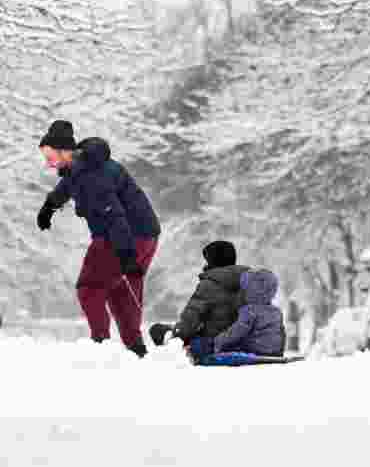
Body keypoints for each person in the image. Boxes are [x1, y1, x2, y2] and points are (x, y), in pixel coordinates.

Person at [36, 120, 161, 357]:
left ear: (65, 152)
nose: (48, 163)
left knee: (90, 287)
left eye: (50, 156)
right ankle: (136, 349)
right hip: (144, 234)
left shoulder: (93, 176)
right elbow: (68, 185)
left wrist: (126, 255)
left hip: (123, 235)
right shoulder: (82, 166)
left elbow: (114, 216)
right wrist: (49, 206)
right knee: (118, 289)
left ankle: (101, 345)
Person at [147, 240, 246, 347]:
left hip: (215, 342)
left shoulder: (209, 284)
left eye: (208, 261)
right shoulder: (251, 281)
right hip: (247, 340)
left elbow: (190, 322)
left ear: (214, 261)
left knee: (157, 329)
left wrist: (174, 332)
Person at [190, 269, 284, 360]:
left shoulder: (250, 311)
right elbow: (281, 334)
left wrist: (218, 341)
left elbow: (236, 332)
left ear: (250, 291)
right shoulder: (276, 312)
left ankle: (193, 351)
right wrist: (279, 351)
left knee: (203, 343)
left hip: (253, 350)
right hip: (273, 351)